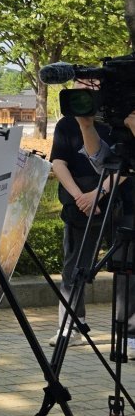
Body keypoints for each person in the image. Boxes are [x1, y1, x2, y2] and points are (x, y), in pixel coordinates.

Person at [70, 108, 135, 354]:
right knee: (124, 271)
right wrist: (87, 127)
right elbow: (103, 163)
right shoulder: (116, 117)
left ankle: (131, 335)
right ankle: (126, 335)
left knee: (129, 274)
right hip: (121, 208)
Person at [48, 107, 115, 346]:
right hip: (80, 206)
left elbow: (128, 163)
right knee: (74, 267)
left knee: (128, 267)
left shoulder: (119, 118)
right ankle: (70, 327)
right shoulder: (67, 123)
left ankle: (130, 334)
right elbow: (58, 162)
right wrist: (81, 197)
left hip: (119, 201)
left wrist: (99, 193)